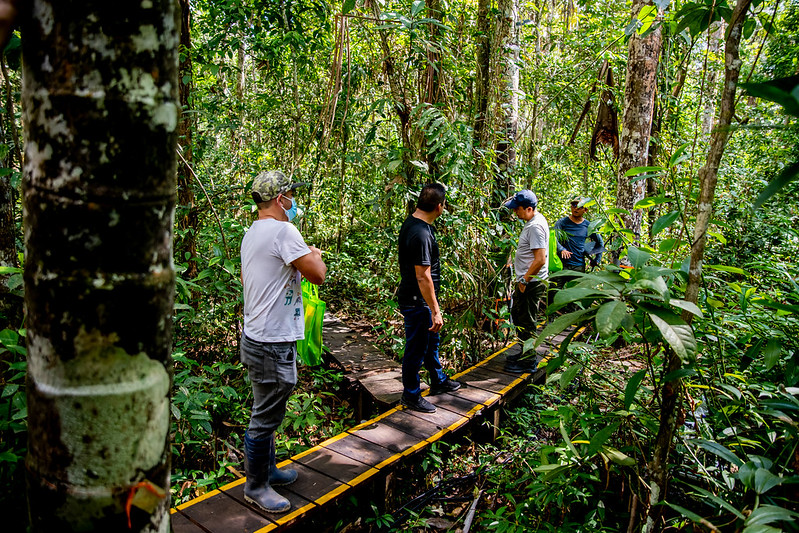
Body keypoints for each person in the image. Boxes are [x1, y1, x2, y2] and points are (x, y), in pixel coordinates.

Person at [240, 170, 327, 513]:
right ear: (279, 199)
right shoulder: (284, 230)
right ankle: (256, 486)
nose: (294, 201)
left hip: (256, 335)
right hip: (271, 340)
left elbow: (250, 276)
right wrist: (313, 254)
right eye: (291, 195)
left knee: (266, 407)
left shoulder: (253, 232)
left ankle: (268, 471)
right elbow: (317, 276)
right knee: (265, 415)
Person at [397, 183, 462, 413]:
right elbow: (423, 276)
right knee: (416, 348)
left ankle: (438, 380)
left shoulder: (414, 223)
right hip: (417, 300)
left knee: (431, 342)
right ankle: (411, 394)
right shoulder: (421, 233)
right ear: (439, 206)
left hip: (421, 298)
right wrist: (435, 309)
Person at [503, 190, 549, 374]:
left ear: (529, 209)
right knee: (519, 315)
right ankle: (524, 352)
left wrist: (524, 280)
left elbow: (540, 259)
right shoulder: (535, 221)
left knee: (527, 320)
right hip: (529, 280)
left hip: (531, 281)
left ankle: (529, 361)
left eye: (518, 209)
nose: (515, 212)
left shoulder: (535, 227)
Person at [554, 196, 604, 273]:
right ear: (571, 207)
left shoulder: (589, 226)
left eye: (580, 206)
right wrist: (561, 249)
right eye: (574, 205)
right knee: (556, 285)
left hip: (578, 266)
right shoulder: (562, 222)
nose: (576, 208)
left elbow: (600, 242)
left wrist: (597, 259)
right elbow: (553, 238)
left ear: (585, 210)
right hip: (560, 265)